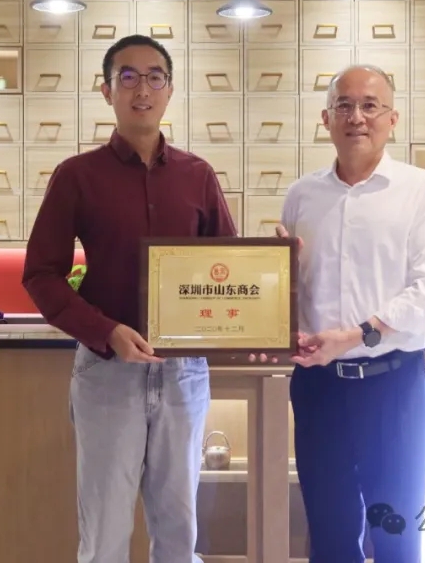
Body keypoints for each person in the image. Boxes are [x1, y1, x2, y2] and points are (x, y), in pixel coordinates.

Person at [23, 33, 270, 563]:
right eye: (128, 77)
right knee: (105, 533)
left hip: (183, 373)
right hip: (107, 372)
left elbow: (227, 271)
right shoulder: (77, 176)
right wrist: (105, 331)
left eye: (155, 77)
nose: (142, 89)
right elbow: (41, 275)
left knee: (179, 532)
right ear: (106, 90)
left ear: (170, 90)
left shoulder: (197, 176)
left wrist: (266, 290)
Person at [275, 64, 425, 563]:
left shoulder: (422, 189)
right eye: (344, 105)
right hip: (319, 389)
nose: (357, 117)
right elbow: (295, 290)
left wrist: (358, 335)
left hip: (392, 387)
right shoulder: (302, 195)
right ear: (326, 119)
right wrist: (277, 291)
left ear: (392, 118)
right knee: (329, 536)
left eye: (370, 105)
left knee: (397, 535)